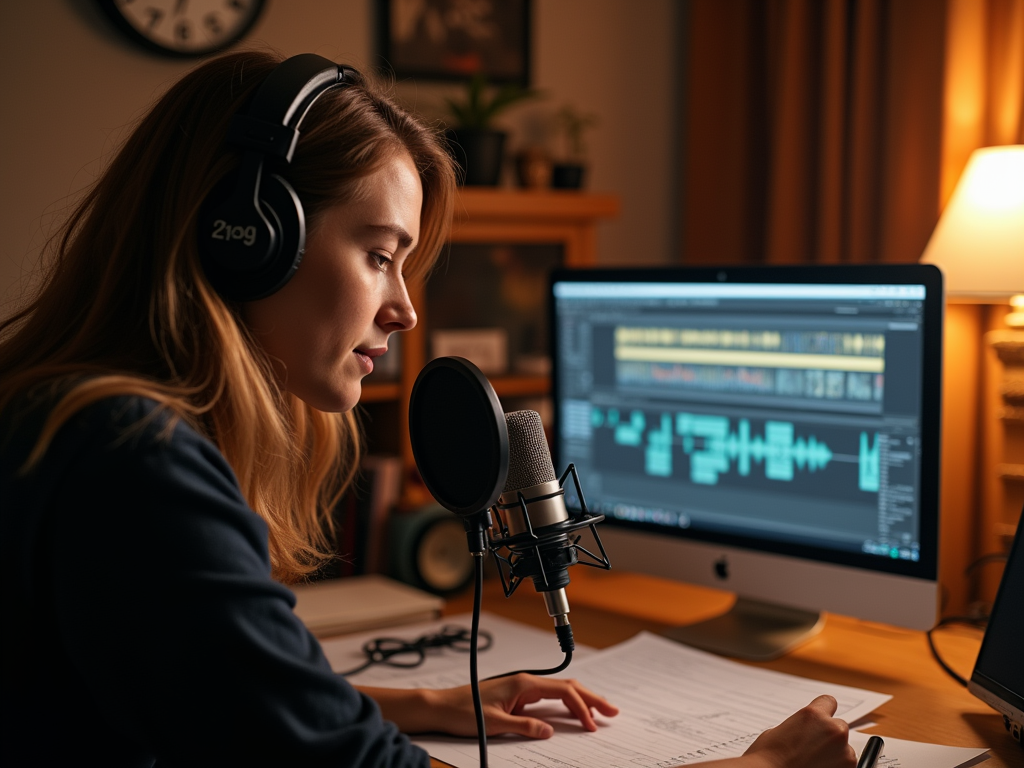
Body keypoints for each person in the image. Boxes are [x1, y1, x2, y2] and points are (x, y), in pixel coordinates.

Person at [0, 50, 854, 767]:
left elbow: (200, 682)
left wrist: (417, 701)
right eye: (379, 254)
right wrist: (764, 763)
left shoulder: (73, 419)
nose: (405, 309)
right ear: (247, 235)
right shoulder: (134, 461)